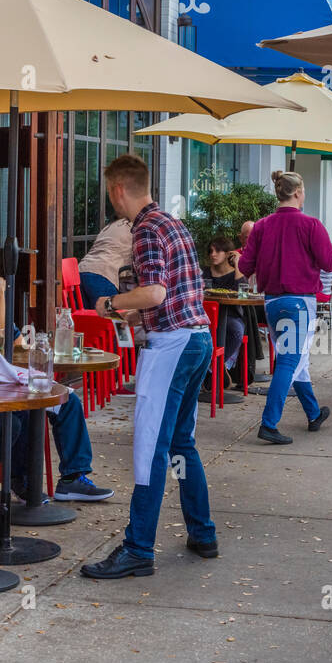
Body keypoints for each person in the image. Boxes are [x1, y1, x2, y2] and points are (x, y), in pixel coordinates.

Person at [82, 153, 218, 578]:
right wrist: (137, 312)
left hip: (171, 347)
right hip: (198, 338)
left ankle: (139, 548)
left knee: (149, 448)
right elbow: (176, 292)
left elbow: (156, 292)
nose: (111, 202)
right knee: (182, 442)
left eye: (110, 193)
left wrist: (111, 303)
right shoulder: (173, 223)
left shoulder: (142, 230)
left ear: (118, 189)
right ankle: (203, 533)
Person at [0, 239, 113, 503]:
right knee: (23, 410)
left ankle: (73, 478)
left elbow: (18, 346)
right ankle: (23, 484)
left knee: (66, 399)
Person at [237, 170, 332, 445]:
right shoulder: (311, 225)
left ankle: (313, 413)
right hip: (300, 301)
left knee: (295, 359)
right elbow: (329, 262)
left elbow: (244, 266)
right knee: (290, 360)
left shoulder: (262, 226)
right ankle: (268, 423)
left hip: (272, 302)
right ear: (298, 193)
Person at [204, 235, 247, 389]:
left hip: (231, 315)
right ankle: (219, 367)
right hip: (207, 316)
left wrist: (238, 265)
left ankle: (213, 367)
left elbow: (242, 294)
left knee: (236, 331)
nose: (213, 254)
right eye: (210, 251)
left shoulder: (235, 273)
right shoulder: (205, 272)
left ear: (228, 253)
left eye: (218, 251)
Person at [77, 217, 133, 311]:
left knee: (86, 322)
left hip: (82, 270)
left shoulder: (110, 225)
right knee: (110, 321)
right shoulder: (137, 227)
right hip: (104, 273)